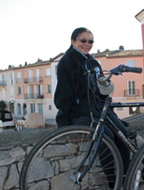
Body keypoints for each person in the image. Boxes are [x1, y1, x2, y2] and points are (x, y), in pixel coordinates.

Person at [54, 27, 130, 186]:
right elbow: (63, 95)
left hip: (98, 110)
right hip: (79, 113)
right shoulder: (67, 62)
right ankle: (113, 183)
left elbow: (101, 91)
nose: (87, 44)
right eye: (83, 40)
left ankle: (126, 178)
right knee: (105, 134)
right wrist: (65, 125)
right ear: (73, 41)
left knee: (123, 134)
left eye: (91, 41)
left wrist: (106, 88)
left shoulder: (93, 62)